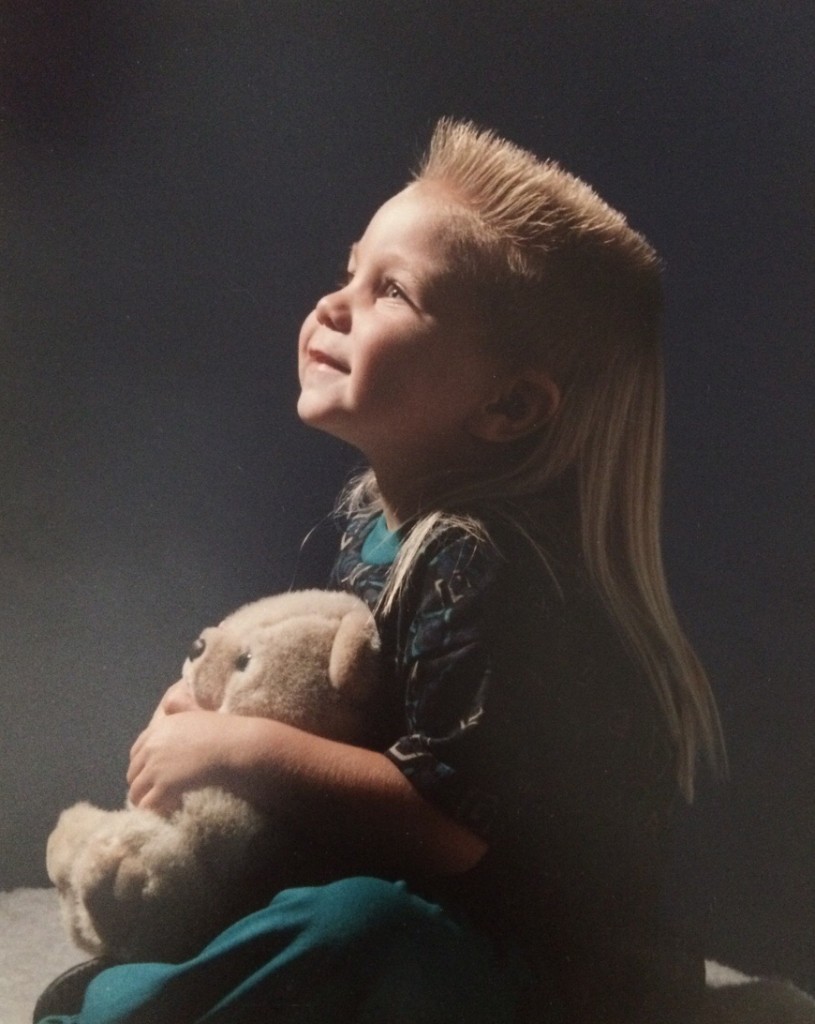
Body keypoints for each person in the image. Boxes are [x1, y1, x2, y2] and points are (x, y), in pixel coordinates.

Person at [37, 119, 724, 1024]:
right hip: (452, 931)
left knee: (364, 924)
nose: (333, 305)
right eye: (348, 270)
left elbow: (453, 833)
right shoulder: (386, 535)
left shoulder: (480, 561)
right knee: (280, 915)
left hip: (547, 978)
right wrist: (215, 706)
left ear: (509, 404)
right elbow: (352, 733)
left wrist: (239, 751)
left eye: (391, 290)